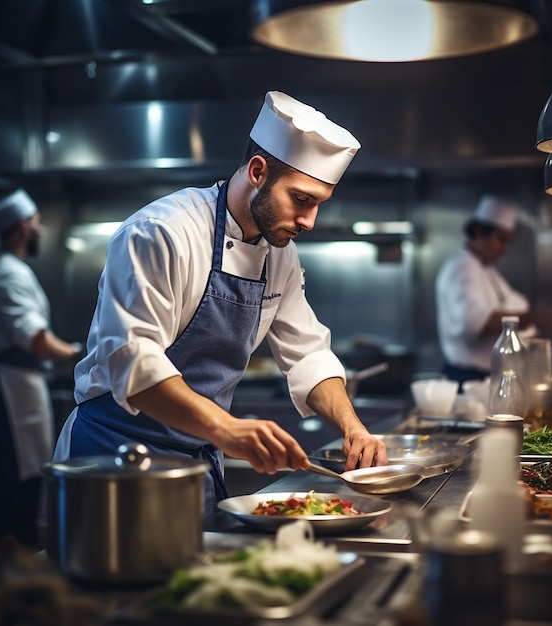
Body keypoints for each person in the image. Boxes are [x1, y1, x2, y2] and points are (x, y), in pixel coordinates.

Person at [53, 91, 388, 517]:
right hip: (113, 461)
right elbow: (133, 363)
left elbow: (307, 353)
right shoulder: (161, 232)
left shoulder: (278, 253)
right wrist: (226, 428)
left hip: (195, 465)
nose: (309, 221)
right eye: (302, 199)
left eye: (319, 204)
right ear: (257, 171)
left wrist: (352, 427)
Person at [0, 189, 82, 549]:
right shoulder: (8, 274)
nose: (40, 228)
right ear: (24, 226)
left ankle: (16, 548)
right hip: (8, 386)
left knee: (26, 466)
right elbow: (35, 339)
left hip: (24, 382)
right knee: (9, 467)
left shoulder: (13, 270)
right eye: (37, 222)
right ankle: (5, 555)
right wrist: (79, 354)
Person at [435, 195, 532, 386]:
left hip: (487, 377)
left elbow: (513, 303)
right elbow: (475, 323)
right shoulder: (461, 268)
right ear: (479, 232)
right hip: (467, 380)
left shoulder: (486, 269)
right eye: (501, 239)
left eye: (508, 240)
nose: (505, 248)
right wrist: (534, 317)